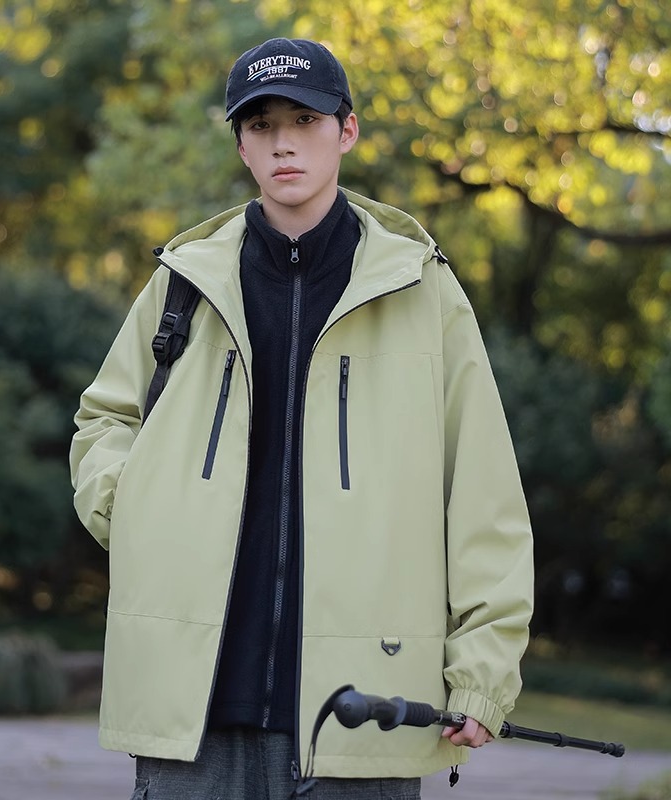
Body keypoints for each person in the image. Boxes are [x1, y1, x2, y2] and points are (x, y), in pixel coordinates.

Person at [70, 37, 533, 800]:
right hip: (193, 715)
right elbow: (104, 420)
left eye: (305, 120)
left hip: (365, 713)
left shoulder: (425, 291)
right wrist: (134, 509)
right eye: (261, 125)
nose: (283, 143)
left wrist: (482, 674)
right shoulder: (184, 283)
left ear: (346, 130)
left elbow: (484, 495)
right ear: (242, 146)